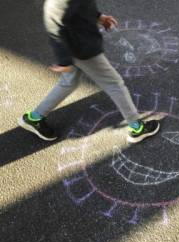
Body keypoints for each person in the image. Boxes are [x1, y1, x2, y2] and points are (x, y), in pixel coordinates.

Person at [18, 0, 160, 143]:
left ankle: (34, 118)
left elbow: (80, 7)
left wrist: (98, 17)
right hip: (81, 50)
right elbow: (54, 24)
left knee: (69, 82)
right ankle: (137, 127)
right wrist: (64, 59)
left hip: (79, 44)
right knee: (114, 84)